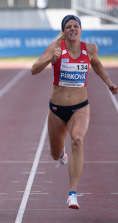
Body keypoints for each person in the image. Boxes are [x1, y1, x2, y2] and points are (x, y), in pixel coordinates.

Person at [31, 15, 118, 209]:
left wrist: (109, 83)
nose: (72, 29)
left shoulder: (90, 49)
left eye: (75, 26)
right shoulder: (55, 48)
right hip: (56, 109)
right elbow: (33, 69)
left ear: (80, 29)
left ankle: (72, 194)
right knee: (54, 154)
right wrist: (48, 61)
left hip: (80, 106)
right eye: (68, 26)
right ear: (64, 31)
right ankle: (61, 154)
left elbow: (96, 64)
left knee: (78, 140)